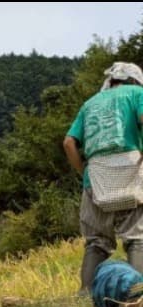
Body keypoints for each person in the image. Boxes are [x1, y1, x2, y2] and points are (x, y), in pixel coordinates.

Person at [63, 61, 143, 294]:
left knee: (96, 242)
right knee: (137, 238)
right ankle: (136, 298)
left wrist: (85, 174)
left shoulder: (89, 104)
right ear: (134, 80)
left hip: (96, 179)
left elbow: (69, 143)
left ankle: (84, 299)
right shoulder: (138, 93)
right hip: (131, 174)